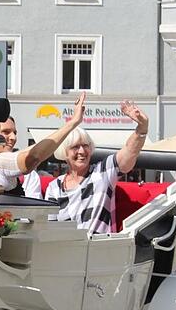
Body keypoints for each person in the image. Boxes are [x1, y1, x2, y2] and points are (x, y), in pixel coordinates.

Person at [44, 100, 149, 234]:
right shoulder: (54, 187)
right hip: (67, 245)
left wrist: (142, 128)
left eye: (85, 145)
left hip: (98, 245)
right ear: (65, 153)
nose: (82, 151)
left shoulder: (102, 172)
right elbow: (49, 228)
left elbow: (129, 152)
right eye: (75, 147)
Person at [0, 93, 88, 198]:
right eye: (6, 132)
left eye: (15, 133)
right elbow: (34, 155)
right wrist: (73, 122)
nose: (13, 137)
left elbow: (30, 152)